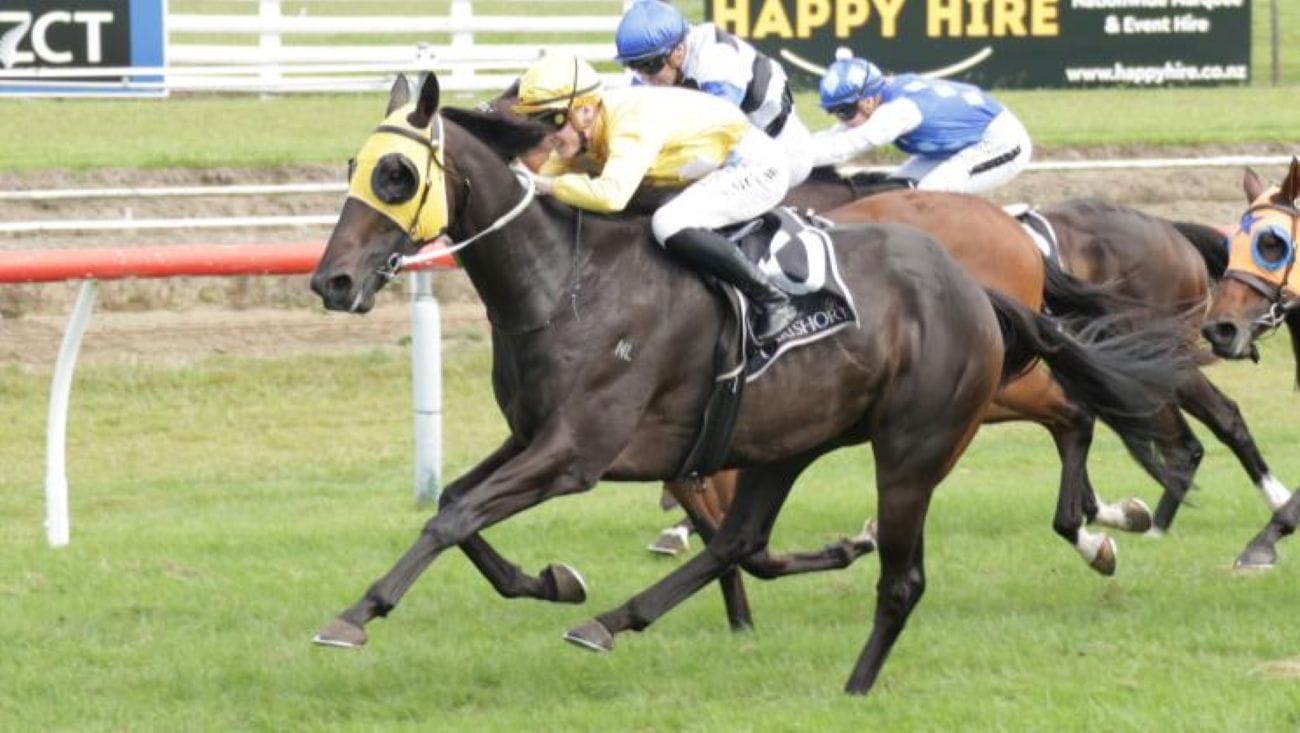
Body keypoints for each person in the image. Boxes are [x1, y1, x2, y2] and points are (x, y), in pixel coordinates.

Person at [512, 54, 799, 343]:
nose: (546, 136)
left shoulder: (629, 124)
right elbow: (538, 182)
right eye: (537, 123)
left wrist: (546, 185)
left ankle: (773, 300)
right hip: (707, 170)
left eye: (552, 120)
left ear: (585, 110)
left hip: (754, 168)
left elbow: (610, 196)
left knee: (668, 222)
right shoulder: (585, 132)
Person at [613, 0, 814, 188]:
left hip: (782, 153)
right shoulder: (653, 67)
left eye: (649, 65)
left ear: (678, 51)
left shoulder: (717, 62)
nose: (644, 77)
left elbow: (716, 138)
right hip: (740, 147)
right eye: (632, 65)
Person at [809, 48, 1032, 194]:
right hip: (961, 142)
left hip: (1001, 142)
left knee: (929, 192)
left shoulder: (898, 112)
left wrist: (795, 161)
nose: (841, 120)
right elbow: (834, 136)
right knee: (892, 192)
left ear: (868, 101)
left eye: (844, 111)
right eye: (833, 111)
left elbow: (847, 147)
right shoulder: (878, 96)